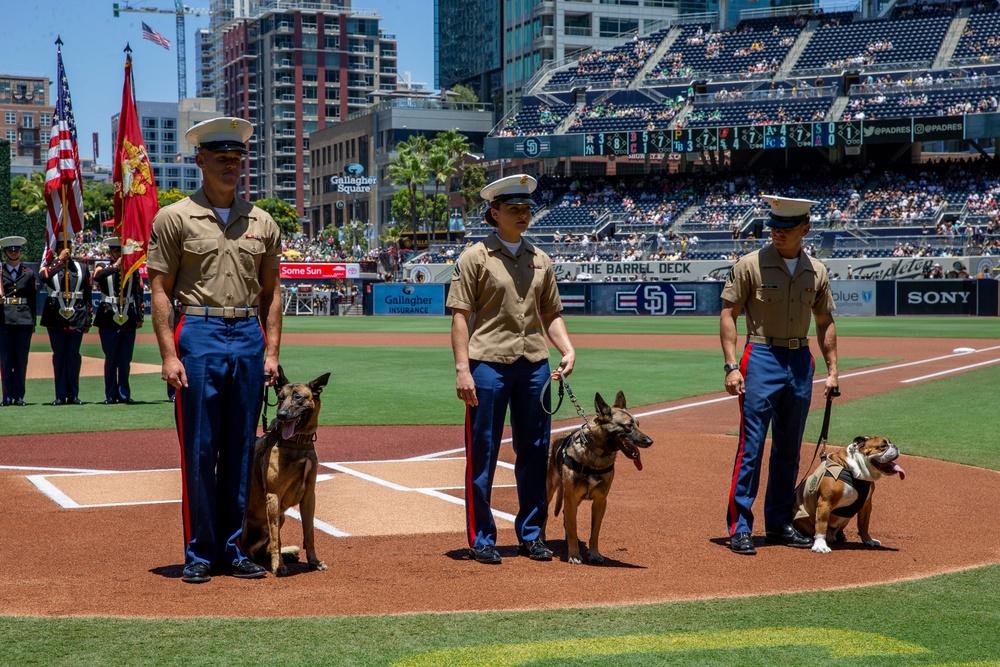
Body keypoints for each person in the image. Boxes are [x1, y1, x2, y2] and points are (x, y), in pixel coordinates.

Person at [146, 117, 282, 584]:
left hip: (247, 337)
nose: (231, 165)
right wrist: (168, 355)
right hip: (198, 336)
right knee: (200, 450)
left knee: (242, 449)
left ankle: (232, 548)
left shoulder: (262, 221)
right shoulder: (174, 217)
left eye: (237, 157)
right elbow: (160, 289)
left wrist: (271, 353)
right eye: (221, 158)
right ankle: (200, 551)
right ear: (199, 161)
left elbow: (272, 293)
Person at [447, 174, 576, 565]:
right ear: (494, 212)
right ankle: (482, 537)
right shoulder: (475, 257)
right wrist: (462, 369)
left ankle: (532, 535)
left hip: (534, 366)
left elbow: (550, 313)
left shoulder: (541, 258)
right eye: (514, 209)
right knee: (482, 452)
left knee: (535, 452)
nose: (523, 215)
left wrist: (567, 349)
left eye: (527, 209)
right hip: (487, 366)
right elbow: (460, 316)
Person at [720, 194, 839, 556]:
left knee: (789, 449)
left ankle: (778, 523)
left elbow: (824, 322)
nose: (777, 234)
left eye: (786, 228)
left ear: (804, 228)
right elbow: (729, 313)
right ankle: (740, 526)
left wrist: (833, 370)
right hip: (761, 357)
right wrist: (730, 366)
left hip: (800, 360)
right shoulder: (749, 265)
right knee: (751, 447)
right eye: (773, 227)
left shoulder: (816, 270)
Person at [39, 237, 92, 405]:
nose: (66, 249)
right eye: (62, 247)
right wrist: (59, 261)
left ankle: (73, 394)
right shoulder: (49, 267)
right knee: (60, 355)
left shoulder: (82, 268)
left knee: (73, 356)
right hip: (56, 317)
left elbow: (88, 294)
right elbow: (44, 278)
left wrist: (88, 319)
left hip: (76, 317)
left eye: (68, 246)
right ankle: (61, 395)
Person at [92, 236, 144, 404]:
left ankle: (124, 393)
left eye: (121, 251)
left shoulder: (132, 270)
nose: (118, 254)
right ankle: (110, 394)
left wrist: (140, 315)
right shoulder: (103, 267)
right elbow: (97, 278)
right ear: (110, 253)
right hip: (108, 317)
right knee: (111, 358)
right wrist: (115, 266)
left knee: (125, 359)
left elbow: (138, 293)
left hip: (128, 316)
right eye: (115, 251)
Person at [0, 236, 36, 406]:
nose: (14, 252)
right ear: (5, 253)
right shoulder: (0, 273)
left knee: (21, 360)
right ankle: (7, 396)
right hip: (4, 319)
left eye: (17, 250)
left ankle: (19, 395)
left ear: (20, 253)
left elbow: (33, 299)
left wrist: (33, 322)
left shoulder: (28, 273)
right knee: (6, 360)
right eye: (10, 250)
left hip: (24, 320)